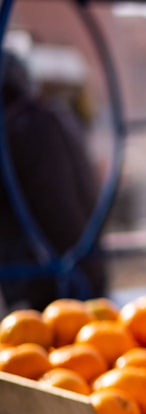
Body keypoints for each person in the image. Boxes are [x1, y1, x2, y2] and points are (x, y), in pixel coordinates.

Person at [0, 50, 107, 311]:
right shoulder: (50, 116)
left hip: (47, 279)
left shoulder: (19, 128)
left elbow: (55, 206)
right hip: (80, 266)